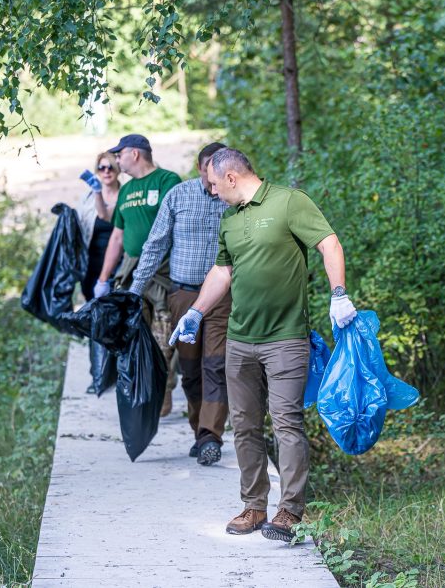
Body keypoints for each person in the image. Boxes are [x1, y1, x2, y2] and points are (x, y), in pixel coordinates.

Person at [169, 148, 358, 541]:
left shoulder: (289, 202)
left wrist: (338, 293)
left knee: (287, 422)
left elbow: (329, 244)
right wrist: (197, 313)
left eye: (215, 184)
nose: (213, 191)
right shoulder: (229, 219)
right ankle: (254, 507)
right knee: (244, 425)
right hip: (240, 339)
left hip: (286, 337)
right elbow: (222, 271)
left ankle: (289, 512)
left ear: (232, 178)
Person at [129, 142, 231, 466]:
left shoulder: (233, 200)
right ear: (200, 168)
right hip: (183, 296)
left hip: (222, 297)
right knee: (190, 372)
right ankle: (200, 430)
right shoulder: (178, 196)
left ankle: (210, 437)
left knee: (215, 365)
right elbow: (155, 245)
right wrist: (134, 291)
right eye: (208, 170)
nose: (213, 179)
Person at [93, 134, 182, 415]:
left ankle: (164, 390)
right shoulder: (127, 191)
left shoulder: (168, 181)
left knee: (164, 340)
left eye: (119, 155)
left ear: (134, 154)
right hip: (131, 276)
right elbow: (117, 237)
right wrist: (103, 278)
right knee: (133, 339)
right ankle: (144, 394)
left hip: (164, 274)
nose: (116, 161)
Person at [77, 152, 121, 301]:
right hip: (91, 264)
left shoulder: (127, 195)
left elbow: (106, 216)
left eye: (110, 167)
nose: (106, 171)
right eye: (101, 168)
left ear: (118, 169)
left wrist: (98, 192)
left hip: (117, 265)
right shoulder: (88, 197)